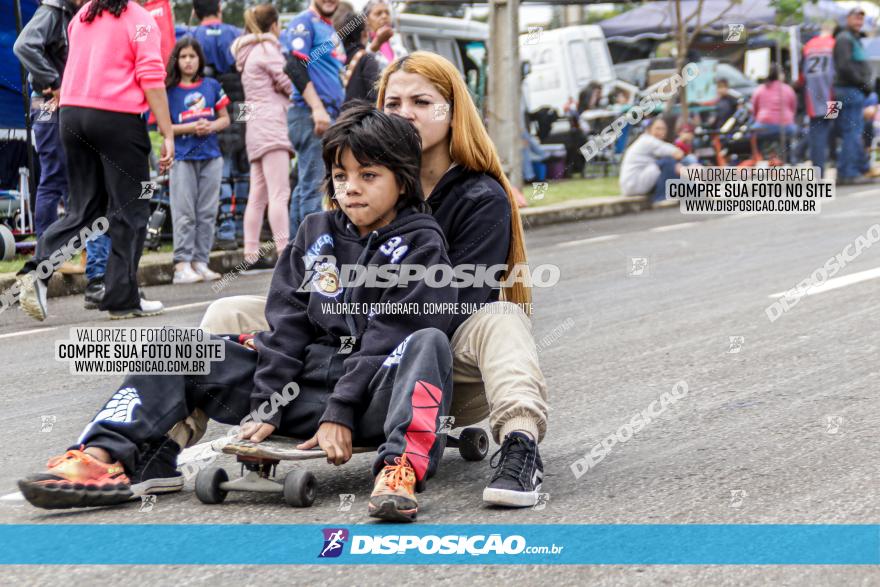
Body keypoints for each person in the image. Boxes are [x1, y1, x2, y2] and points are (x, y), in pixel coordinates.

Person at [19, 105, 457, 523]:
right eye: (340, 176)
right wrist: (267, 405)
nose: (350, 188)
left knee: (428, 343)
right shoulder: (315, 233)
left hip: (371, 402)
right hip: (299, 393)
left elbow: (391, 335)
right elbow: (288, 325)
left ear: (402, 181)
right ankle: (105, 458)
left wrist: (340, 412)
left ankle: (399, 470)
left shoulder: (423, 245)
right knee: (177, 347)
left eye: (368, 175)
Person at [172, 52, 549, 508]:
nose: (405, 113)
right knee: (225, 311)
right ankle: (165, 440)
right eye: (394, 102)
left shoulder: (480, 195)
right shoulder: (362, 176)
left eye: (422, 101)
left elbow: (445, 310)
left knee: (504, 315)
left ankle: (520, 447)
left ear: (453, 113)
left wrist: (347, 362)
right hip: (351, 349)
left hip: (431, 359)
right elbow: (319, 285)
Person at [16, 0, 172, 321]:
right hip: (116, 117)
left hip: (72, 116)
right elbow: (150, 75)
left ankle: (37, 272)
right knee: (131, 209)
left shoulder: (82, 16)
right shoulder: (139, 19)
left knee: (84, 208)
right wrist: (168, 132)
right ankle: (123, 298)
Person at [13, 0, 113, 309]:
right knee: (63, 180)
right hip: (50, 103)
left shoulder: (74, 13)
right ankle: (49, 261)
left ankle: (67, 263)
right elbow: (24, 46)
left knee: (72, 185)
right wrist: (54, 82)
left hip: (58, 103)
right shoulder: (54, 11)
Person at [231, 4, 293, 265]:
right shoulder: (268, 49)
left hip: (255, 127)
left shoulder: (246, 54)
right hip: (273, 125)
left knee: (258, 194)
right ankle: (284, 249)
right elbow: (290, 83)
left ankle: (250, 251)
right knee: (280, 192)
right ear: (275, 25)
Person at [165, 37, 229, 285]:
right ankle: (182, 265)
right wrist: (190, 127)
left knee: (207, 211)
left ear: (200, 59)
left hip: (212, 157)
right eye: (183, 56)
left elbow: (225, 118)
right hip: (183, 158)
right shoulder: (169, 91)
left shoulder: (212, 85)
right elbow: (164, 127)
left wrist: (211, 125)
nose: (188, 61)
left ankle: (200, 261)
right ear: (177, 60)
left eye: (192, 56)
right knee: (184, 212)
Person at [281, 0, 345, 234]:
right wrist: (317, 108)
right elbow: (293, 66)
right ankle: (310, 255)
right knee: (313, 187)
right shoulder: (303, 23)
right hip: (311, 115)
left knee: (305, 186)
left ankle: (297, 254)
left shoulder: (328, 27)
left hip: (328, 115)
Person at [191, 0, 245, 248]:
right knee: (243, 163)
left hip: (208, 104)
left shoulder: (193, 36)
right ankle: (244, 226)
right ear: (220, 10)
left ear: (195, 12)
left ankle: (224, 229)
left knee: (219, 164)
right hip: (242, 103)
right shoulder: (237, 33)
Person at [834, 7, 874, 185]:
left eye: (861, 19)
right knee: (852, 132)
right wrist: (862, 84)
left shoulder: (853, 38)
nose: (859, 22)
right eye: (855, 18)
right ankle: (848, 172)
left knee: (851, 131)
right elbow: (845, 66)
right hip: (848, 90)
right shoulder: (844, 39)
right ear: (847, 19)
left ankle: (854, 169)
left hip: (850, 90)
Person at [619, 117, 685, 202]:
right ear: (649, 130)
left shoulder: (646, 140)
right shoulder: (648, 140)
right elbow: (678, 153)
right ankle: (662, 197)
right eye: (657, 128)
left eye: (663, 129)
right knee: (668, 161)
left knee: (671, 163)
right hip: (634, 183)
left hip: (633, 183)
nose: (661, 132)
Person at [750, 65, 798, 161]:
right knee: (793, 132)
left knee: (753, 131)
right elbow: (793, 109)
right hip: (785, 126)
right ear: (780, 75)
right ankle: (791, 160)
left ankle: (759, 157)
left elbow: (754, 110)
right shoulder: (788, 89)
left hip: (763, 127)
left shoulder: (760, 89)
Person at [336, 6, 381, 104]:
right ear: (364, 34)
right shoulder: (366, 60)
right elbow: (377, 97)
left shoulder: (333, 58)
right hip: (358, 117)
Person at [363, 0, 407, 71]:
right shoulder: (363, 42)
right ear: (366, 20)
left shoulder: (396, 41)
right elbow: (361, 65)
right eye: (378, 13)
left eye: (387, 13)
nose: (384, 16)